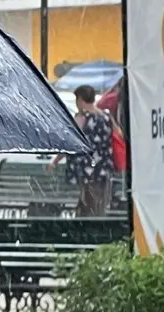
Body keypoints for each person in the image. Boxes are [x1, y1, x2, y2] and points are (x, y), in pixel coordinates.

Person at [49, 84, 115, 216]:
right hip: (103, 168)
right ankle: (95, 223)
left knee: (88, 202)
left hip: (86, 169)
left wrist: (55, 161)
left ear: (80, 100)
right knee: (97, 202)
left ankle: (88, 225)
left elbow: (70, 142)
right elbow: (116, 136)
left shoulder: (81, 118)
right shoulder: (107, 116)